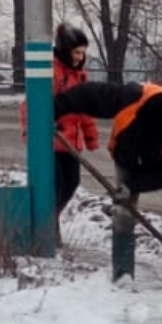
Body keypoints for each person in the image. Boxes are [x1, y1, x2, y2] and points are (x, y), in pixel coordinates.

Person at [52, 79, 162, 289]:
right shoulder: (130, 98)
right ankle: (123, 274)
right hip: (128, 159)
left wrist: (135, 185)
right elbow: (88, 95)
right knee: (124, 213)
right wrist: (55, 108)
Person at [20, 23, 98, 215]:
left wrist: (90, 136)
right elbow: (31, 105)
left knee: (72, 183)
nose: (80, 57)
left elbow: (85, 108)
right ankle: (47, 225)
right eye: (77, 52)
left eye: (83, 53)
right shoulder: (51, 72)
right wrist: (32, 131)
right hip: (53, 140)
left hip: (71, 142)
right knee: (55, 186)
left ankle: (52, 218)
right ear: (66, 50)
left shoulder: (80, 76)